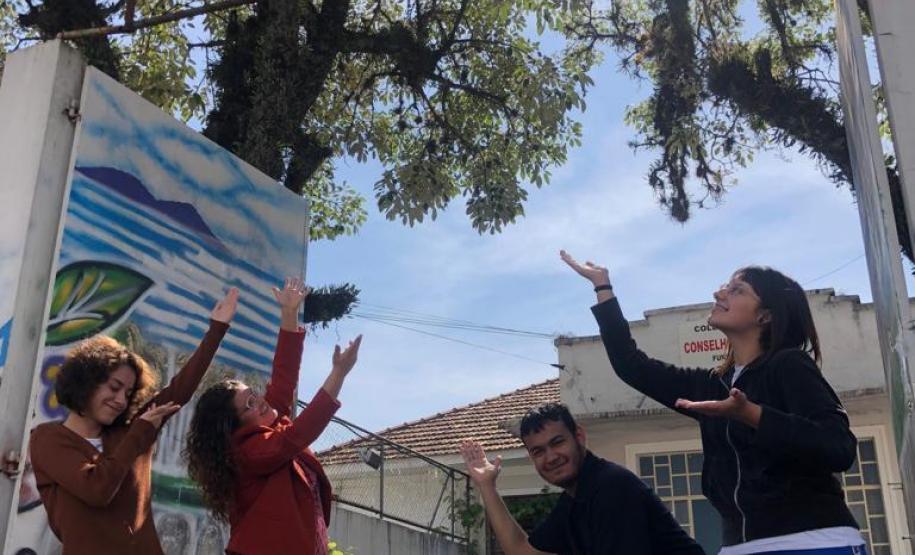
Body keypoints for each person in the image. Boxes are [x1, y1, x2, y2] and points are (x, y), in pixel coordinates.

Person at [560, 250, 865, 555]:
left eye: (737, 290)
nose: (719, 292)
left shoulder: (789, 365)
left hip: (814, 541)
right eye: (725, 286)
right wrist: (603, 286)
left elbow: (838, 447)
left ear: (766, 315)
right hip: (738, 546)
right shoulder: (713, 384)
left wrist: (752, 415)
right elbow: (632, 365)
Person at [29, 287, 238, 555]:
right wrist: (138, 435)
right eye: (114, 387)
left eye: (128, 393)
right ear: (85, 383)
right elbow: (97, 489)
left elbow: (179, 391)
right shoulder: (48, 440)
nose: (120, 400)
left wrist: (217, 329)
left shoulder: (128, 431)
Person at [184, 277, 362, 555]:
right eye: (249, 404)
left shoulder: (271, 425)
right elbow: (296, 436)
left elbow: (284, 378)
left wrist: (289, 312)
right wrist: (337, 375)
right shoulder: (249, 452)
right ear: (234, 426)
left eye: (254, 395)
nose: (261, 403)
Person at [460, 403, 706, 555]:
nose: (551, 457)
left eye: (557, 442)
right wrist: (486, 486)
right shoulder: (574, 500)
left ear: (579, 436)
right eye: (538, 451)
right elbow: (522, 551)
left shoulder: (611, 487)